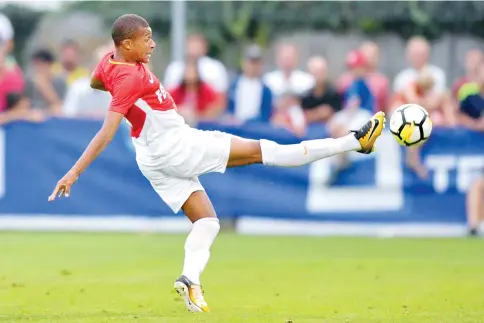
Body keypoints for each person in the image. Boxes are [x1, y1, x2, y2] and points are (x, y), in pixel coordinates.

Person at [47, 14, 386, 313]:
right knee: (263, 151)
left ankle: (190, 280)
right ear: (127, 43)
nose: (152, 43)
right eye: (145, 38)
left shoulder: (110, 63)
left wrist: (109, 78)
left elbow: (96, 81)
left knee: (207, 222)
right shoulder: (131, 78)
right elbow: (106, 133)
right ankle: (355, 141)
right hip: (176, 145)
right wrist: (74, 172)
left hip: (151, 158)